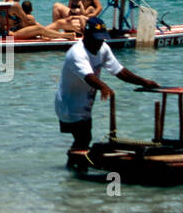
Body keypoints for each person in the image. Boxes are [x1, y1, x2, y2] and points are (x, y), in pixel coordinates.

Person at [56, 17, 158, 154]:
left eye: (101, 39)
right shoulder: (76, 53)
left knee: (84, 140)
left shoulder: (103, 48)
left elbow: (119, 71)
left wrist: (144, 82)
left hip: (85, 104)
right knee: (83, 139)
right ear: (86, 35)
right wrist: (104, 87)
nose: (99, 43)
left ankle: (74, 170)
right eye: (96, 39)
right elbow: (89, 77)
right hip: (69, 105)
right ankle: (75, 168)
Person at [0, 0, 71, 40]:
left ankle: (50, 33)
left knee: (36, 25)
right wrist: (41, 27)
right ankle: (64, 35)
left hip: (4, 33)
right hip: (11, 34)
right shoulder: (15, 5)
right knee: (39, 28)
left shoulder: (4, 1)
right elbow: (27, 21)